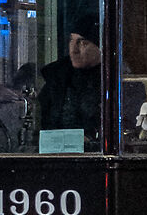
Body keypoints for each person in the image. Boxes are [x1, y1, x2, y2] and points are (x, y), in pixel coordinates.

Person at [37, 13, 104, 145]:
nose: (73, 50)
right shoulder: (56, 76)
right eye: (71, 41)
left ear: (101, 48)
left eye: (82, 43)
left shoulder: (117, 81)